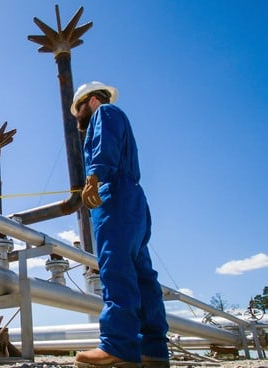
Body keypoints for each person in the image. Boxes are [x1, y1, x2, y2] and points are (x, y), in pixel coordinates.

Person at [71, 82, 169, 368]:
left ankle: (119, 347)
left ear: (88, 101)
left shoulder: (105, 112)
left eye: (78, 109)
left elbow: (105, 141)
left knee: (116, 267)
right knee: (141, 274)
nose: (78, 116)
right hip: (134, 199)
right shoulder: (118, 114)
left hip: (114, 194)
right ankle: (154, 350)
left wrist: (93, 175)